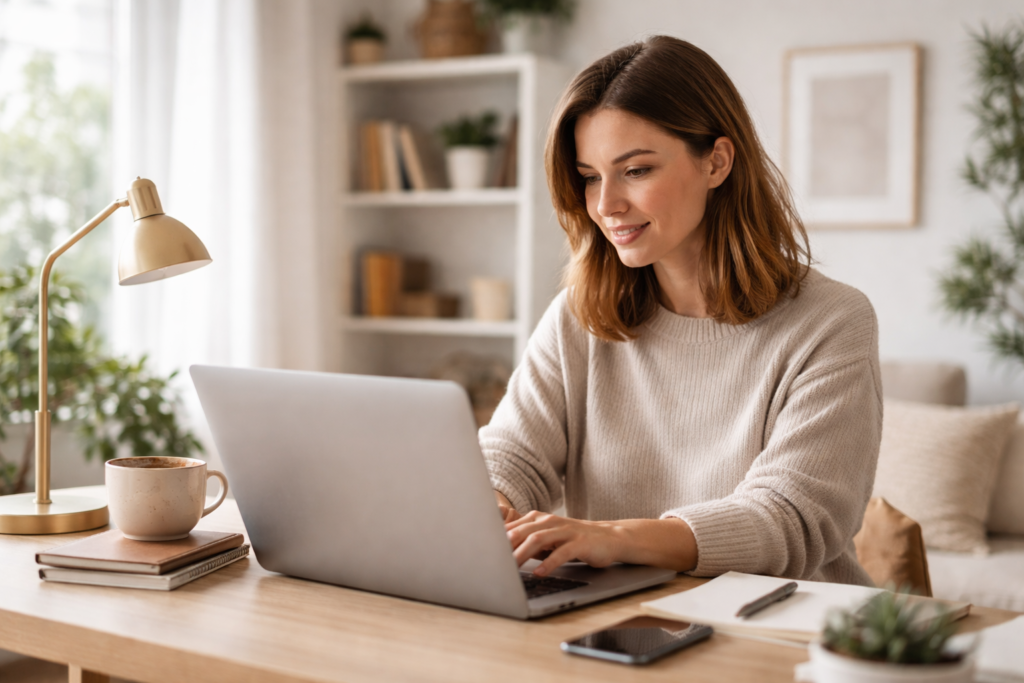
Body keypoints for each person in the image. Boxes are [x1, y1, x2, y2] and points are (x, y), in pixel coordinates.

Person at [479, 36, 881, 586]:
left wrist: (614, 538)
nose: (605, 204)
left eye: (636, 170)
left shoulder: (832, 322)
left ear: (716, 161)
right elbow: (512, 451)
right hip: (622, 623)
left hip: (780, 633)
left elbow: (790, 517)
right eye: (591, 176)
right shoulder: (580, 316)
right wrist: (490, 504)